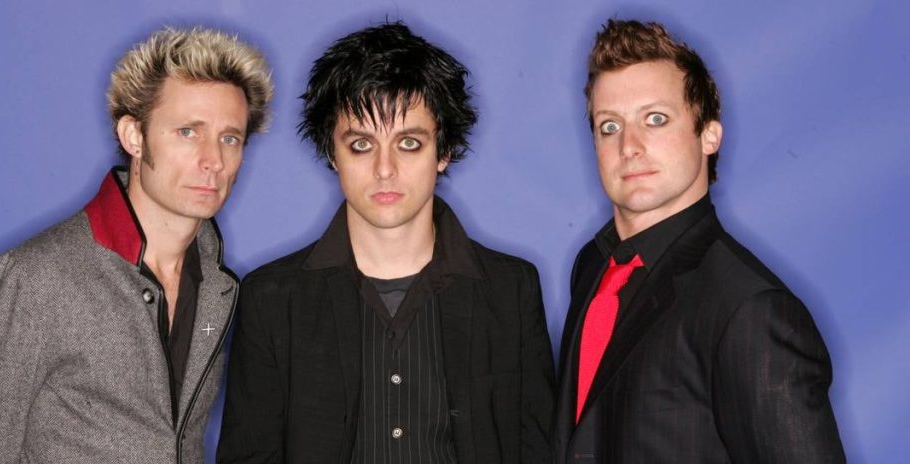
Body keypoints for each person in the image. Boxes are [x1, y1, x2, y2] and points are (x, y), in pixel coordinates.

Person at [218, 22, 554, 463]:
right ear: (332, 153)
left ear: (443, 151)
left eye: (409, 143)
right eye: (361, 144)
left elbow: (538, 451)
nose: (384, 169)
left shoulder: (511, 291)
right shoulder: (272, 301)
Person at [0, 26, 272, 463]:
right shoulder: (33, 279)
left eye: (230, 138)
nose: (213, 160)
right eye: (188, 132)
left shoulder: (218, 289)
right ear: (134, 136)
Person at [552, 19, 845, 463]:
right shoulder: (593, 266)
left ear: (709, 135)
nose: (629, 145)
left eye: (656, 119)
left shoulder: (750, 310)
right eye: (609, 126)